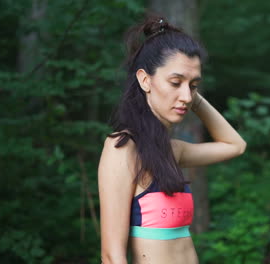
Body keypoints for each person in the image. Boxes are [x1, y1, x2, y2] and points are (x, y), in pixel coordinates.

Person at [98, 15, 247, 264]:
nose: (187, 96)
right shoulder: (121, 148)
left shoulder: (172, 151)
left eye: (194, 85)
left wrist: (190, 93)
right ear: (145, 80)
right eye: (175, 82)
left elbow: (235, 146)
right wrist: (188, 90)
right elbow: (112, 256)